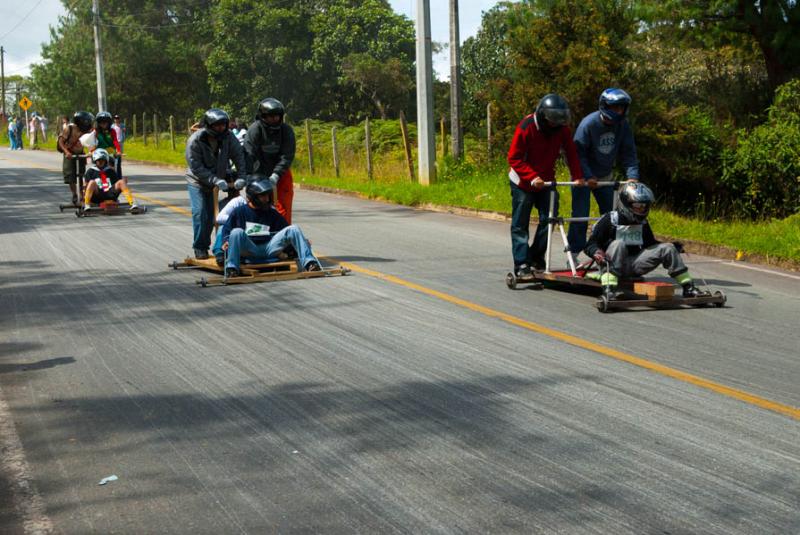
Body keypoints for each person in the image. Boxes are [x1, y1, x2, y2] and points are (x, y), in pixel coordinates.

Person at [584, 182, 709, 300]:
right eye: (637, 206)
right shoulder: (610, 220)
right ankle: (608, 290)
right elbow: (590, 245)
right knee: (619, 244)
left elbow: (650, 244)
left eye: (644, 206)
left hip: (632, 265)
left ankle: (688, 288)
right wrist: (597, 252)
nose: (641, 210)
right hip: (608, 264)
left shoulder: (642, 222)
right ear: (625, 204)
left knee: (668, 248)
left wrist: (673, 246)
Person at [507, 93, 583, 277]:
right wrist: (532, 177)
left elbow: (571, 153)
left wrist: (578, 177)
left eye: (559, 121)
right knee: (520, 224)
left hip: (547, 181)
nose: (556, 125)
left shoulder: (561, 129)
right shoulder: (527, 127)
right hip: (523, 183)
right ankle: (522, 264)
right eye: (553, 121)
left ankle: (536, 256)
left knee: (549, 220)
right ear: (543, 116)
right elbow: (514, 158)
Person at [568, 88, 640, 263]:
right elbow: (578, 154)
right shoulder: (588, 124)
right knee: (580, 215)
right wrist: (588, 176)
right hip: (584, 178)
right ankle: (574, 255)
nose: (619, 111)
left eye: (622, 108)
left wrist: (632, 177)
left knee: (614, 216)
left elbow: (629, 152)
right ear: (604, 106)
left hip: (605, 176)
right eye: (615, 108)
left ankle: (613, 253)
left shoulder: (622, 126)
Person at [219, 179, 321, 278]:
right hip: (249, 249)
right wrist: (226, 241)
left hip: (269, 248)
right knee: (236, 232)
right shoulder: (239, 211)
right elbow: (226, 230)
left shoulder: (271, 212)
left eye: (268, 195)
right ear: (253, 196)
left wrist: (302, 241)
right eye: (263, 196)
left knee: (294, 229)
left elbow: (287, 231)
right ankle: (232, 269)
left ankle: (310, 263)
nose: (267, 199)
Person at [185, 108, 247, 259]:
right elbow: (196, 167)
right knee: (201, 213)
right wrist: (215, 180)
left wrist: (241, 177)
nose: (221, 128)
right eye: (217, 125)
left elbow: (239, 156)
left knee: (233, 211)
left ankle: (228, 244)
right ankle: (200, 246)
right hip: (198, 181)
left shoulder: (229, 137)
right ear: (208, 125)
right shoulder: (195, 140)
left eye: (223, 125)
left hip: (221, 174)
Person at [244, 97, 296, 223]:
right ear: (263, 116)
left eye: (277, 116)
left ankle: (284, 234)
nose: (274, 119)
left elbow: (287, 155)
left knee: (283, 208)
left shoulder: (286, 131)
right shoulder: (255, 130)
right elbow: (249, 153)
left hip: (281, 174)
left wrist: (276, 174)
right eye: (270, 116)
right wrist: (249, 177)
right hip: (259, 174)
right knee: (258, 206)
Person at [57, 111, 94, 205]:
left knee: (81, 175)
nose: (87, 124)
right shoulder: (69, 128)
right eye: (86, 122)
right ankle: (74, 194)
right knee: (70, 176)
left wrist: (91, 151)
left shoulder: (86, 130)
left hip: (80, 153)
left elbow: (90, 141)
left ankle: (81, 196)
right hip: (69, 154)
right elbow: (61, 141)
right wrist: (67, 152)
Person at [91, 111, 123, 177]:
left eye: (106, 121)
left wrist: (118, 151)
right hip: (98, 153)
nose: (103, 123)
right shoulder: (95, 131)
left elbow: (115, 141)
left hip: (110, 153)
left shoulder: (112, 131)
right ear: (98, 122)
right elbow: (92, 143)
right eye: (101, 121)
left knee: (115, 168)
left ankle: (117, 181)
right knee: (97, 170)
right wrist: (91, 151)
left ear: (109, 122)